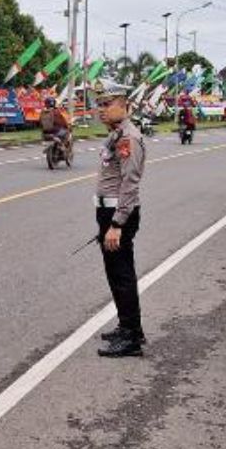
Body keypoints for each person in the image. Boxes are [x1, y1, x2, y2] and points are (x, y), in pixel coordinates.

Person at [93, 86, 147, 358]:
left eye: (107, 103)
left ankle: (131, 337)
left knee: (122, 274)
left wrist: (116, 224)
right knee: (116, 274)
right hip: (110, 213)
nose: (101, 109)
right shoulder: (116, 135)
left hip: (118, 215)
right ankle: (127, 326)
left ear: (124, 105)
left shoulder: (128, 138)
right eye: (99, 104)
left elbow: (130, 183)